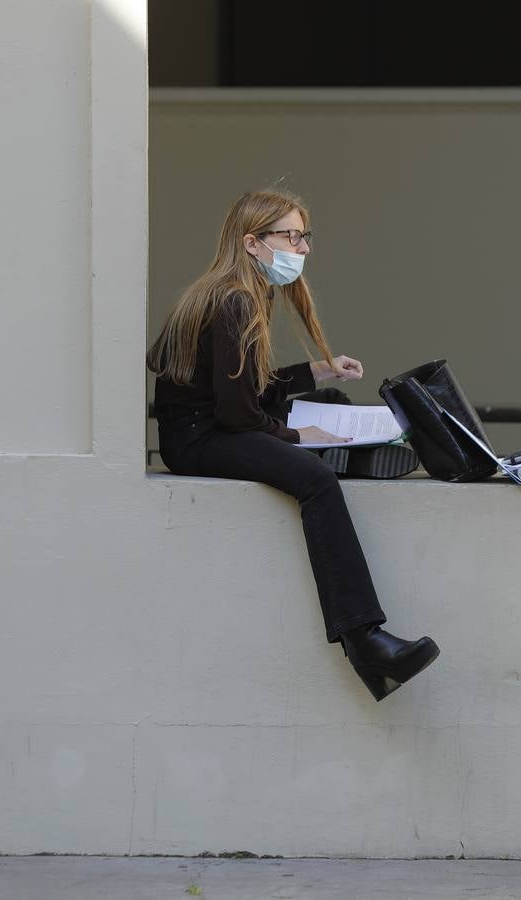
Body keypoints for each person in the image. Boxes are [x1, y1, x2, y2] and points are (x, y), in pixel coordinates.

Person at [147, 189, 439, 701]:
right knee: (316, 480)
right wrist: (296, 438)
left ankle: (372, 656)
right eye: (291, 235)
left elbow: (243, 386)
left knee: (323, 403)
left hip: (207, 425)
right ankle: (365, 639)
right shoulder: (235, 299)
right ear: (253, 243)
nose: (302, 247)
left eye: (305, 236)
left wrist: (317, 370)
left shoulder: (238, 292)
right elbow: (237, 412)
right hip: (199, 437)